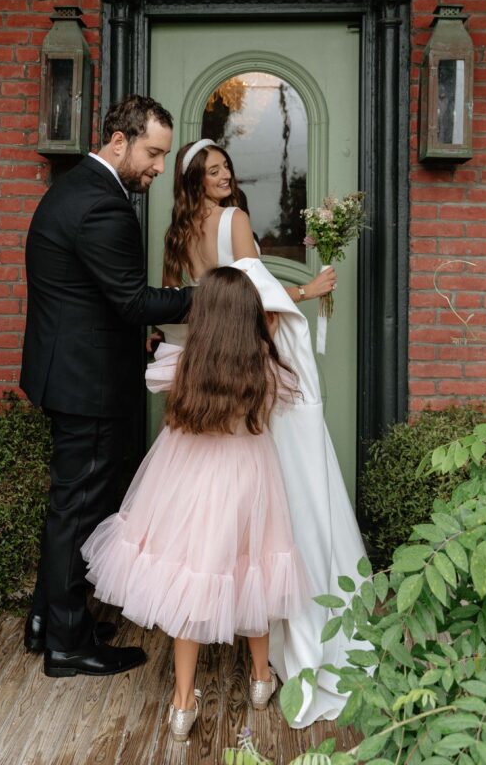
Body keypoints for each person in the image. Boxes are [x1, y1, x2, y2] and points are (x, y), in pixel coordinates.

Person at [156, 137, 368, 726]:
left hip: (205, 364)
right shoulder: (235, 220)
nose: (224, 176)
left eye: (226, 167)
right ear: (196, 178)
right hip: (243, 363)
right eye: (212, 169)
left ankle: (186, 696)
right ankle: (262, 670)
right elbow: (259, 298)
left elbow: (189, 307)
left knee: (204, 534)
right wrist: (308, 291)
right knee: (262, 525)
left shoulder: (178, 236)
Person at [81, 267, 311, 742]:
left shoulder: (184, 365)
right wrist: (268, 337)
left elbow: (152, 376)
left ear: (203, 317)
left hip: (186, 480)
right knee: (253, 570)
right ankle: (261, 678)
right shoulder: (265, 370)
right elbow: (291, 394)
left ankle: (183, 704)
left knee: (192, 574)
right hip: (249, 481)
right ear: (250, 316)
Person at [20, 95, 193, 678]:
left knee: (68, 504)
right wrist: (214, 293)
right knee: (79, 508)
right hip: (86, 384)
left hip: (66, 369)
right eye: (153, 153)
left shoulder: (72, 191)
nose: (158, 168)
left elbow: (86, 296)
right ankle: (68, 645)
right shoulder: (103, 206)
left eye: (164, 156)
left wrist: (130, 337)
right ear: (119, 141)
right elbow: (132, 301)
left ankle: (49, 619)